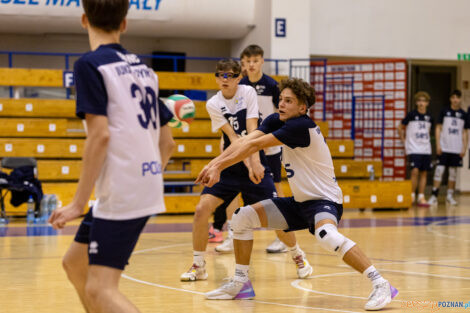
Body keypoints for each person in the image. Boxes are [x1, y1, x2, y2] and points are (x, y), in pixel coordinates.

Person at [197, 78, 398, 311]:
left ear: (302, 108)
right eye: (281, 99)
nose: (281, 104)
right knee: (242, 217)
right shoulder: (276, 119)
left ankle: (381, 284)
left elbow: (253, 147)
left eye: (289, 101)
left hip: (325, 201)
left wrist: (218, 167)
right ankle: (241, 283)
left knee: (326, 235)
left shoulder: (300, 126)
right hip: (299, 203)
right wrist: (213, 163)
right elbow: (245, 140)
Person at [48, 0, 176, 312]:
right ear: (124, 24)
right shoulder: (144, 70)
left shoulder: (90, 65)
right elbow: (168, 143)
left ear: (83, 19)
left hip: (122, 191)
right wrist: (148, 176)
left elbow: (100, 136)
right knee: (74, 264)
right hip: (136, 185)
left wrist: (78, 202)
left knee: (101, 289)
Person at [181, 59, 312, 282]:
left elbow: (253, 131)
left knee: (278, 217)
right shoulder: (213, 103)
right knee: (202, 209)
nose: (225, 79)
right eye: (220, 75)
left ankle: (298, 255)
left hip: (255, 159)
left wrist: (254, 163)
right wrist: (220, 165)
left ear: (238, 78)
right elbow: (233, 138)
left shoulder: (247, 92)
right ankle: (198, 265)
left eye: (230, 75)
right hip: (231, 165)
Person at [428, 90, 469, 206]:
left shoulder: (464, 114)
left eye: (457, 98)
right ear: (450, 99)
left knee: (453, 173)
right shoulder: (444, 111)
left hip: (456, 148)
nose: (455, 100)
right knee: (439, 171)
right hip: (444, 147)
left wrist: (464, 148)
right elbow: (438, 128)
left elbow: (465, 132)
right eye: (453, 97)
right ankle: (434, 195)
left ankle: (449, 196)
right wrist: (438, 145)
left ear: (460, 99)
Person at [398, 91, 433, 206]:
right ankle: (412, 195)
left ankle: (421, 196)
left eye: (423, 101)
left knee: (424, 173)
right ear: (416, 103)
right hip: (413, 148)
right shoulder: (411, 115)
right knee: (414, 171)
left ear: (427, 103)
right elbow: (400, 127)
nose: (421, 103)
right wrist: (404, 140)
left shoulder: (429, 117)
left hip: (425, 148)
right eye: (419, 101)